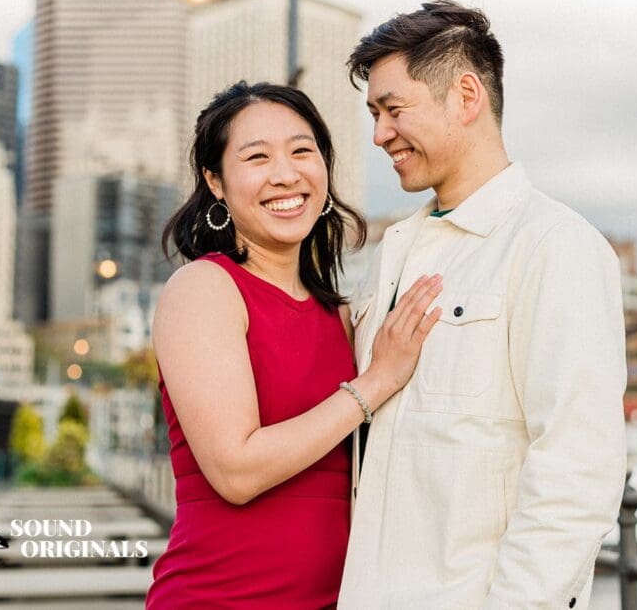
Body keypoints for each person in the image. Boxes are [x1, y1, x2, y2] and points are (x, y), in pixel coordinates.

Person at [338, 1, 628, 609]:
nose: (379, 134)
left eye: (393, 110)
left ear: (465, 96)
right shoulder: (393, 251)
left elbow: (577, 469)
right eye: (373, 114)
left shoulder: (555, 245)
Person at [146, 81, 442, 609]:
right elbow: (236, 471)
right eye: (257, 157)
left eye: (302, 151)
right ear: (216, 182)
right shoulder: (203, 289)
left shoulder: (343, 315)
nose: (286, 173)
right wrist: (373, 383)